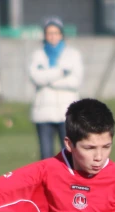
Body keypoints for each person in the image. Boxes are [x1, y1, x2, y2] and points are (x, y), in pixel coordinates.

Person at [29, 17, 84, 160]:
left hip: (66, 112)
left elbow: (75, 81)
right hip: (43, 113)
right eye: (49, 33)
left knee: (69, 154)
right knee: (46, 155)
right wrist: (60, 72)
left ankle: (69, 182)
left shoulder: (73, 54)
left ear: (61, 34)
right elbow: (36, 77)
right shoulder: (37, 55)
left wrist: (48, 79)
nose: (52, 36)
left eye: (56, 32)